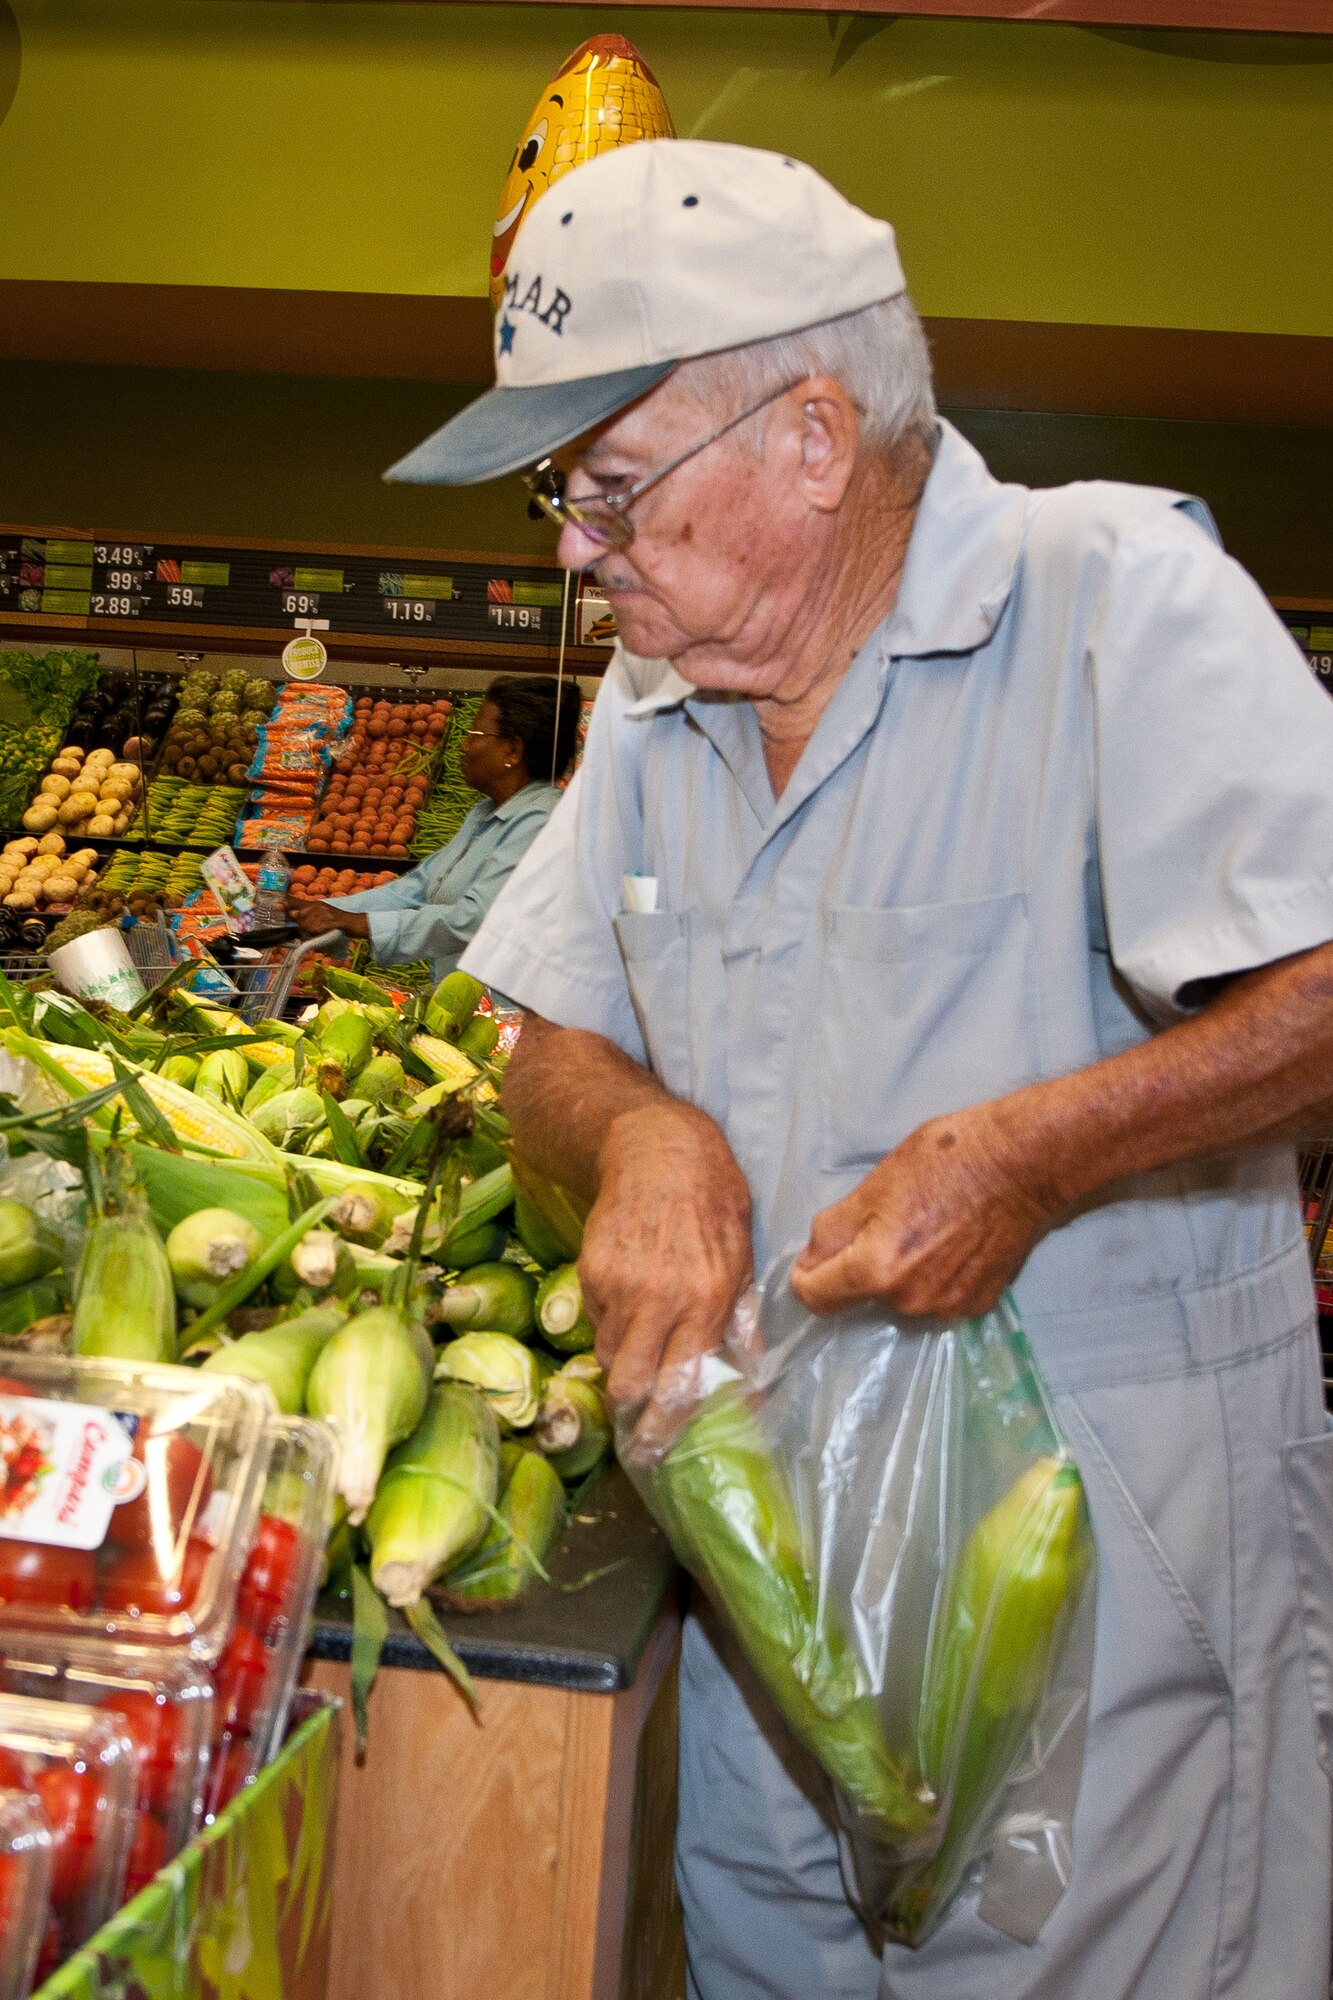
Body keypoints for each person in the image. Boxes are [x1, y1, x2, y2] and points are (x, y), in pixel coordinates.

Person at [386, 140, 1333, 2000]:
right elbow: (549, 1037)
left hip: (1096, 1635)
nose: (577, 557)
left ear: (811, 440)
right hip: (771, 1626)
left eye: (607, 492)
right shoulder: (655, 712)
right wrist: (640, 1131)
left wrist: (1033, 1156)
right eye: (557, 507)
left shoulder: (1108, 606)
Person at [289, 674, 579, 982]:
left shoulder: (541, 823)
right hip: (462, 1008)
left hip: (509, 1015)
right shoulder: (485, 814)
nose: (463, 746)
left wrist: (361, 923)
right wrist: (318, 911)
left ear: (512, 750)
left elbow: (477, 919)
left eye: (474, 734)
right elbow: (416, 888)